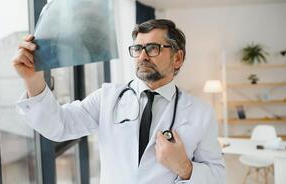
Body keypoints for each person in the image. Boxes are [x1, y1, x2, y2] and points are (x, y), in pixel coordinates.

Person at [13, 19, 225, 184]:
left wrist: (185, 167)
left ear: (177, 58)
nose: (142, 56)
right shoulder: (108, 97)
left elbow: (217, 176)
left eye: (152, 48)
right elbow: (60, 126)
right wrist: (33, 80)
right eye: (137, 49)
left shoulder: (201, 113)